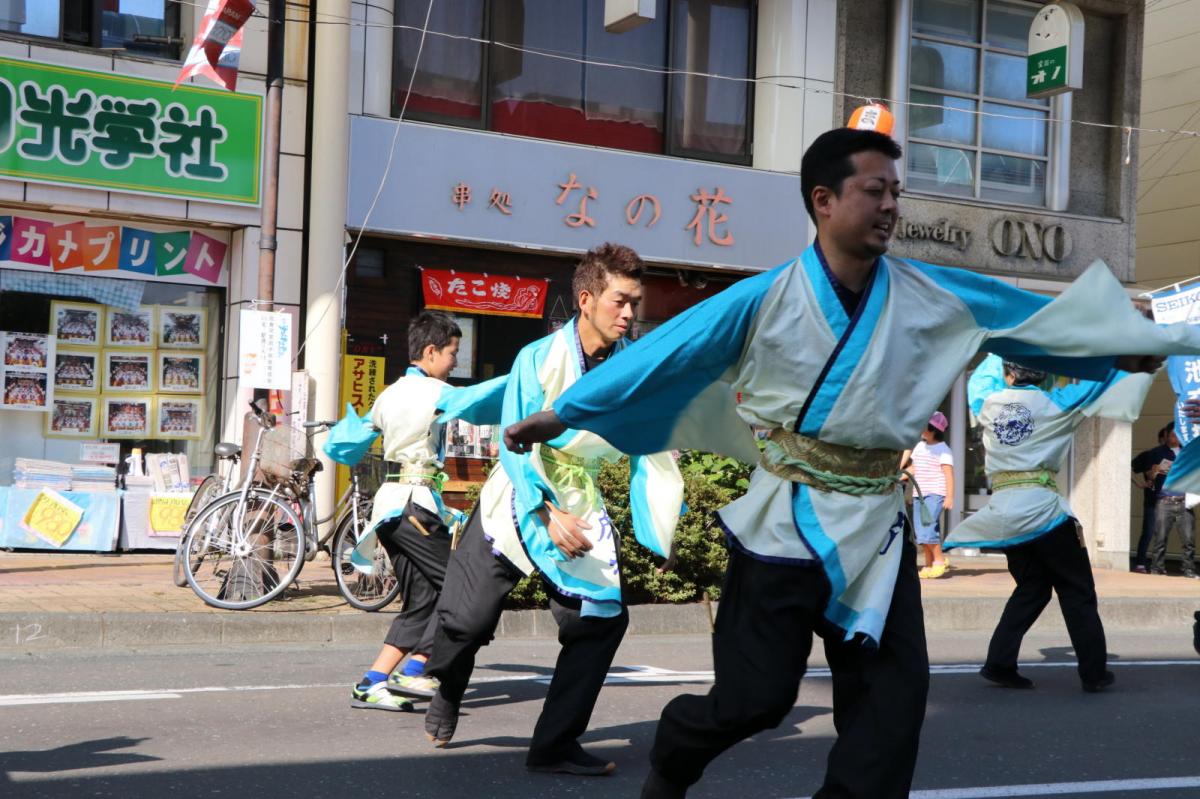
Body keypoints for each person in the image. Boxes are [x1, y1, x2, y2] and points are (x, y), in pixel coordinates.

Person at [501, 126, 1194, 799]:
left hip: (876, 528)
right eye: (874, 190)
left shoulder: (935, 293)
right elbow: (662, 355)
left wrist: (1121, 346)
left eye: (896, 192)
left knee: (892, 709)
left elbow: (1027, 320)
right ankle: (677, 750)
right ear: (824, 200)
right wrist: (559, 414)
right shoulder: (763, 297)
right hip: (784, 520)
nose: (891, 205)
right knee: (755, 699)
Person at [422, 244, 685, 776]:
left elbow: (651, 447)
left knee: (601, 620)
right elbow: (514, 441)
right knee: (465, 624)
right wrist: (543, 512)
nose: (629, 314)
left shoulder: (633, 368)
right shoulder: (538, 358)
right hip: (517, 494)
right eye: (619, 301)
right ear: (586, 300)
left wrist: (659, 530)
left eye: (634, 303)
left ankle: (554, 744)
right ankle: (449, 685)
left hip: (577, 496)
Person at [943, 355, 1154, 692]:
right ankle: (1093, 673)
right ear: (1044, 376)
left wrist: (1003, 348)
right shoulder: (1058, 403)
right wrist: (1131, 356)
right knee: (1077, 591)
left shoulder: (987, 402)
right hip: (1044, 512)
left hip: (1005, 513)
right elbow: (1098, 384)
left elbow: (980, 380)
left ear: (1009, 373)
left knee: (1033, 587)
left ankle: (999, 663)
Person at [349, 311, 506, 712]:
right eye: (452, 353)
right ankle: (417, 668)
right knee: (461, 587)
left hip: (391, 507)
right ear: (431, 351)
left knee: (422, 599)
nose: (455, 362)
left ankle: (372, 683)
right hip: (414, 505)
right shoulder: (435, 392)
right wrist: (533, 384)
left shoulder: (388, 394)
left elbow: (346, 441)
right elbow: (484, 401)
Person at [902, 412, 954, 579]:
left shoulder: (943, 450)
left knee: (929, 529)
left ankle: (939, 561)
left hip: (935, 494)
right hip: (919, 494)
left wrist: (949, 497)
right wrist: (898, 477)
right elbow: (914, 468)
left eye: (924, 427)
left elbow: (948, 474)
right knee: (921, 532)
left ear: (934, 430)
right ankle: (928, 564)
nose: (921, 430)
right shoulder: (919, 447)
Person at [1144, 425, 1198, 577]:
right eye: (1172, 435)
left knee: (1188, 540)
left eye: (1178, 435)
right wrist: (1153, 472)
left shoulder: (1188, 452)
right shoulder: (1157, 453)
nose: (1175, 438)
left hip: (1184, 500)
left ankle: (1188, 570)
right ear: (1167, 435)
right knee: (1160, 538)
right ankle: (1157, 568)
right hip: (1164, 501)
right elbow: (1149, 478)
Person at [1130, 424, 1171, 573]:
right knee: (1148, 531)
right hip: (1152, 500)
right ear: (1162, 439)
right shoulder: (1149, 455)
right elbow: (1129, 468)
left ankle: (1158, 565)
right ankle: (1140, 563)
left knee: (1162, 534)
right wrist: (1139, 483)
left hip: (1168, 500)